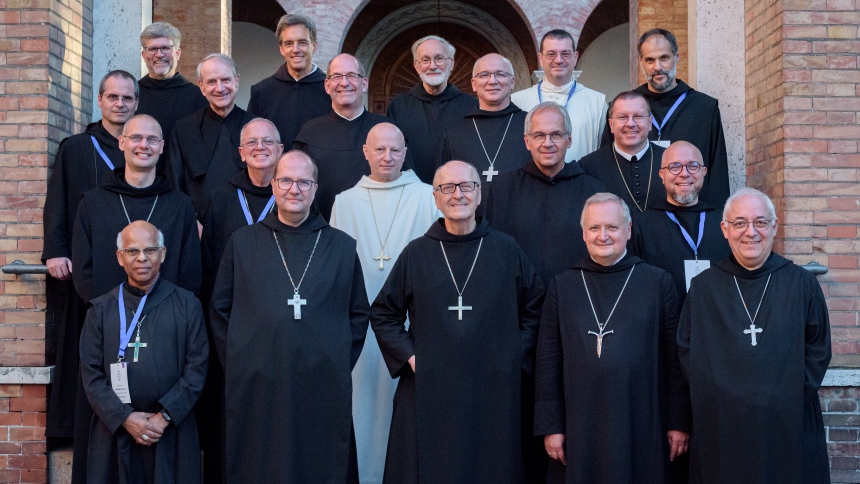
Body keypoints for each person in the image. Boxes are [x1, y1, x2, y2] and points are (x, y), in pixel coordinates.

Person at [371, 160, 545, 483]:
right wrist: (411, 356)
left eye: (466, 186)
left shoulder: (506, 250)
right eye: (447, 188)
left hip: (492, 389)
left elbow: (536, 305)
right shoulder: (417, 253)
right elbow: (383, 313)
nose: (458, 195)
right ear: (436, 198)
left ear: (479, 195)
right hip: (429, 387)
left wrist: (511, 355)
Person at [210, 150, 370, 483]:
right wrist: (243, 360)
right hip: (257, 383)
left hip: (321, 383)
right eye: (285, 180)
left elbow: (357, 314)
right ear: (273, 185)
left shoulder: (340, 247)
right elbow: (220, 307)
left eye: (303, 182)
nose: (293, 189)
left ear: (315, 188)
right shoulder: (242, 243)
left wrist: (333, 359)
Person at [678, 188, 831, 484]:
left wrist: (784, 395)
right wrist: (720, 396)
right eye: (740, 223)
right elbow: (688, 350)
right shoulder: (704, 287)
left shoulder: (801, 284)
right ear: (724, 229)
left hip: (785, 420)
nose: (751, 232)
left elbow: (818, 349)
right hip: (724, 423)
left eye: (761, 222)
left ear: (774, 227)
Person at [535, 192, 690, 484]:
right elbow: (548, 362)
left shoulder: (657, 283)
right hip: (580, 422)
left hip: (641, 418)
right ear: (583, 233)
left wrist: (678, 422)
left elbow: (675, 361)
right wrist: (551, 426)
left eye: (612, 227)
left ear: (628, 230)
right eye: (594, 228)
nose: (603, 236)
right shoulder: (563, 285)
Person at [330, 123, 440, 484]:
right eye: (379, 150)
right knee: (362, 410)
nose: (387, 157)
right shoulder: (345, 202)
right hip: (361, 330)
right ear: (365, 152)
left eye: (395, 150)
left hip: (410, 331)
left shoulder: (427, 197)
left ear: (405, 152)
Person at [42, 69, 138, 484]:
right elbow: (58, 200)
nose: (120, 104)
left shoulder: (140, 147)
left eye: (127, 98)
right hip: (91, 272)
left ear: (137, 103)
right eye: (113, 97)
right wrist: (55, 250)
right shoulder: (77, 148)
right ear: (100, 100)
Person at [79, 221, 209, 484]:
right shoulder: (100, 311)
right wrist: (125, 417)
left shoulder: (187, 305)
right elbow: (91, 375)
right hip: (115, 431)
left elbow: (197, 369)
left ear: (162, 254)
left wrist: (164, 417)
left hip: (171, 431)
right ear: (119, 257)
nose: (142, 258)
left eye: (150, 250)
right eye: (132, 251)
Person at [197, 117, 283, 484]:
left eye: (268, 141)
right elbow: (206, 268)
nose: (260, 147)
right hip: (230, 327)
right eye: (252, 142)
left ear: (281, 149)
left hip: (280, 325)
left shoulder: (294, 193)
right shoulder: (219, 198)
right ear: (241, 152)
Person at [72, 114, 201, 304]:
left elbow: (190, 273)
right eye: (136, 138)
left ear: (162, 146)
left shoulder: (180, 206)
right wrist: (106, 311)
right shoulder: (93, 203)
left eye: (152, 139)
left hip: (167, 320)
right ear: (122, 142)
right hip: (110, 320)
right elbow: (83, 271)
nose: (144, 145)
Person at [602, 28, 730, 208]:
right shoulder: (623, 110)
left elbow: (718, 175)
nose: (657, 67)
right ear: (640, 62)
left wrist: (716, 223)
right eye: (649, 60)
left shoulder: (704, 109)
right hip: (634, 216)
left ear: (676, 57)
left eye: (664, 58)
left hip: (690, 216)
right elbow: (607, 163)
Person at [485, 102, 606, 284]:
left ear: (569, 140)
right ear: (527, 141)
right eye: (539, 135)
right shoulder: (501, 189)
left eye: (556, 135)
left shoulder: (594, 192)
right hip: (517, 300)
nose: (547, 143)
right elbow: (489, 250)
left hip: (576, 297)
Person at [293, 54, 405, 220]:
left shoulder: (388, 130)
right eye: (337, 76)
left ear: (364, 83)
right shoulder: (309, 132)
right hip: (322, 229)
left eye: (352, 76)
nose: (344, 83)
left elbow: (405, 185)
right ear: (327, 85)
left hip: (380, 228)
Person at [632, 141, 730, 301]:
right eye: (674, 166)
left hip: (716, 320)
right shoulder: (641, 226)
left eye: (693, 166)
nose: (684, 173)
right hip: (664, 323)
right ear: (662, 175)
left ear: (704, 172)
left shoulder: (725, 223)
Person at [167, 53, 255, 218]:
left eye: (226, 80)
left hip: (249, 229)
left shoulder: (257, 127)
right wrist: (191, 223)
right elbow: (173, 185)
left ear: (237, 80)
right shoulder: (184, 129)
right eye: (211, 82)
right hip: (197, 229)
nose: (219, 88)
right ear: (201, 86)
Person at [387, 35, 478, 183]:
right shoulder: (398, 106)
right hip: (411, 193)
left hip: (457, 194)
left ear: (451, 63)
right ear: (416, 66)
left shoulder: (471, 106)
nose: (432, 66)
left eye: (439, 58)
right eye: (425, 60)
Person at [511, 30, 606, 162]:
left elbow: (605, 152)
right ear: (540, 58)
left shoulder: (597, 102)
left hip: (581, 180)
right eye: (551, 54)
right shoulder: (517, 101)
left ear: (575, 57)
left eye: (565, 54)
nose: (558, 60)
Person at [442, 54, 530, 186]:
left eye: (500, 74)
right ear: (474, 84)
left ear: (512, 82)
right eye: (484, 75)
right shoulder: (454, 133)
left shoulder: (532, 126)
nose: (492, 81)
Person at [248, 14, 330, 146]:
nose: (295, 50)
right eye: (289, 43)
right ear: (281, 49)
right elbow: (252, 140)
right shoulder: (262, 92)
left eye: (302, 43)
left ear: (314, 46)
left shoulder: (331, 90)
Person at [580, 91, 666, 214]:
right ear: (611, 124)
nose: (630, 124)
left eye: (638, 116)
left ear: (650, 122)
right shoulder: (587, 167)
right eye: (622, 117)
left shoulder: (671, 161)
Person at [136, 22, 207, 145]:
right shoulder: (132, 95)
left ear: (178, 53)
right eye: (152, 49)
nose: (159, 55)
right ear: (143, 55)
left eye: (166, 48)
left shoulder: (198, 97)